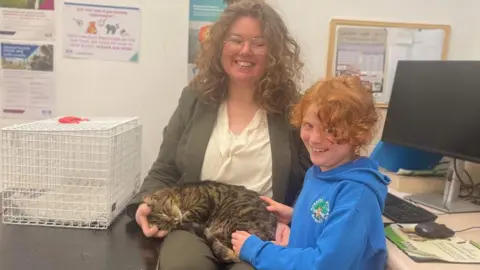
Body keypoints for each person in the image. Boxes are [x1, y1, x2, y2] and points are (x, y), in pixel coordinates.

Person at [125, 0, 311, 269]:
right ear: (221, 45)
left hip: (260, 231)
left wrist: (297, 219)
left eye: (258, 43)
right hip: (194, 225)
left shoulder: (293, 108)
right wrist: (144, 203)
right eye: (236, 40)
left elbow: (312, 180)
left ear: (274, 53)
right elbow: (164, 169)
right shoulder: (194, 99)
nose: (245, 51)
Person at [231, 75, 392, 270]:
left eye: (331, 130)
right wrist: (298, 215)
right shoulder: (318, 172)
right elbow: (326, 220)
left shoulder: (357, 195)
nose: (315, 139)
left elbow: (324, 265)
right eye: (309, 125)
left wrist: (257, 251)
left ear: (358, 134)